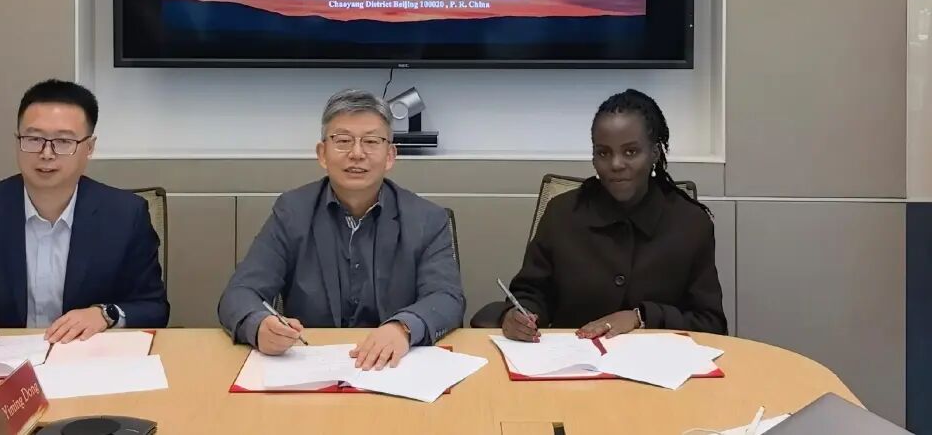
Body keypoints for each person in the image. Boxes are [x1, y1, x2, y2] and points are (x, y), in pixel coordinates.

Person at [218, 89, 465, 370]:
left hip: (394, 367)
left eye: (371, 141)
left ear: (390, 156)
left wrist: (403, 328)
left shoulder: (427, 219)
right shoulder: (292, 212)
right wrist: (258, 324)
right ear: (322, 154)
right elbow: (239, 293)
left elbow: (447, 298)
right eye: (343, 141)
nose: (357, 154)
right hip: (310, 366)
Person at [0, 79, 169, 343]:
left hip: (87, 357)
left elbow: (154, 308)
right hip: (3, 359)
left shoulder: (125, 214)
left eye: (63, 141)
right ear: (17, 141)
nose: (46, 153)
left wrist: (105, 314)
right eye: (33, 139)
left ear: (89, 148)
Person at [500, 89, 726, 342]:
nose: (616, 164)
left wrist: (641, 317)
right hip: (573, 359)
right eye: (603, 153)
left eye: (630, 152)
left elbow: (711, 324)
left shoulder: (690, 223)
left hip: (657, 362)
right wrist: (518, 316)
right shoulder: (562, 213)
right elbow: (531, 293)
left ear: (654, 153)